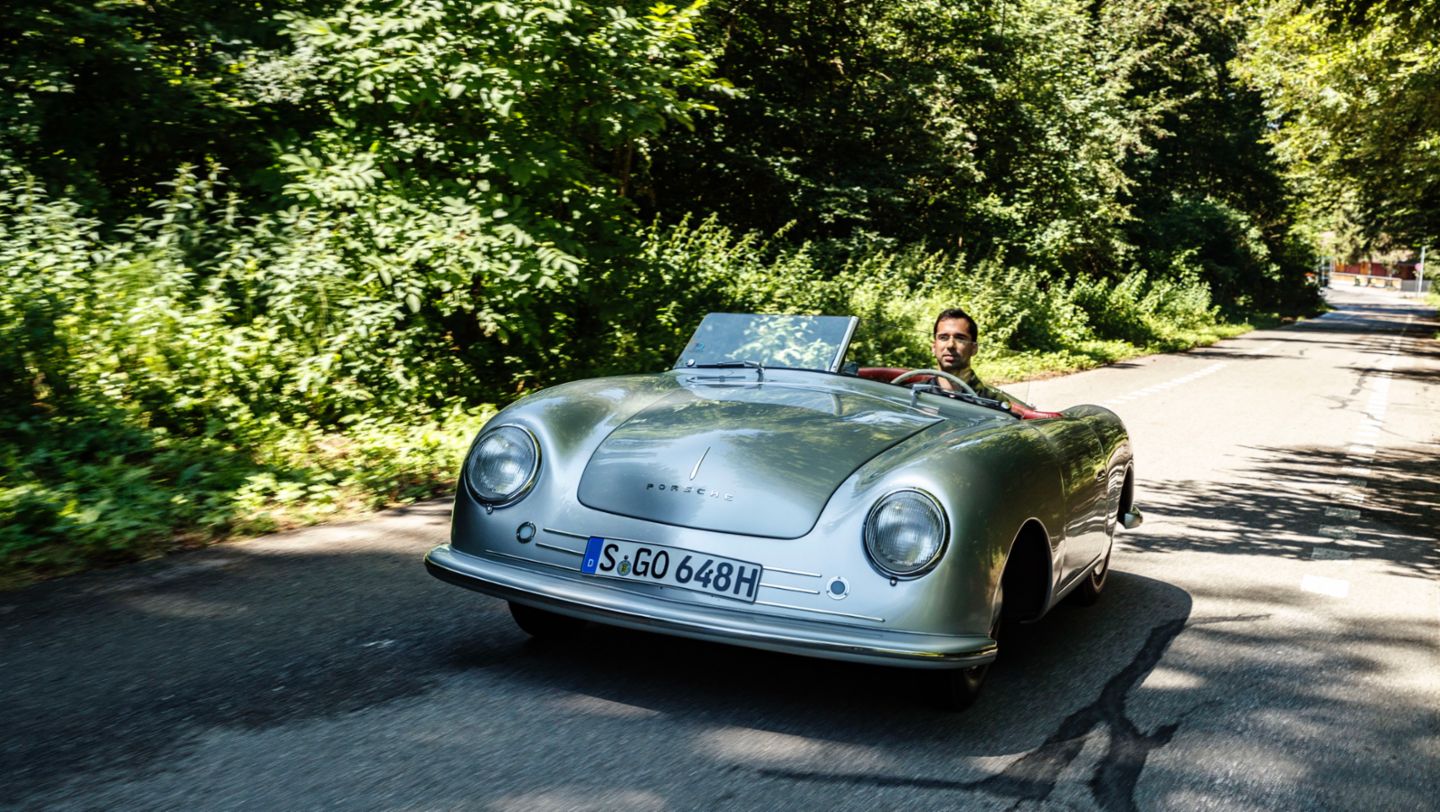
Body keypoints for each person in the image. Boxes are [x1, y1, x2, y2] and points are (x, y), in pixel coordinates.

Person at [930, 307, 1027, 407]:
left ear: (974, 348)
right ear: (934, 347)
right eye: (943, 338)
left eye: (960, 339)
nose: (950, 345)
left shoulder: (993, 403)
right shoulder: (920, 393)